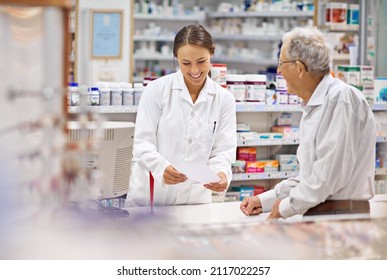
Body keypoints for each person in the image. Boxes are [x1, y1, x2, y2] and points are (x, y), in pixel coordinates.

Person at [240, 27, 376, 220]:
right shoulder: (314, 105)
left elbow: (327, 179)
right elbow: (309, 178)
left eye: (281, 63)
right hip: (325, 214)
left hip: (342, 217)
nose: (278, 70)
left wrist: (284, 208)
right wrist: (264, 201)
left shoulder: (341, 99)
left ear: (300, 68)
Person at [126, 24, 237, 206]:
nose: (194, 70)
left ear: (211, 55)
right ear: (176, 59)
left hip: (195, 198)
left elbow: (223, 151)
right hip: (153, 197)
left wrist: (221, 173)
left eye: (201, 61)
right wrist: (162, 168)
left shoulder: (224, 99)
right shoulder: (156, 90)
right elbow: (142, 143)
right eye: (186, 63)